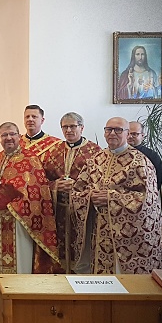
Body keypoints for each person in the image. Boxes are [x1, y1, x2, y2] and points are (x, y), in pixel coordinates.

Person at [70, 117, 162, 274]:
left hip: (127, 237)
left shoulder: (140, 162)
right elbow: (77, 191)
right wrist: (90, 197)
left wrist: (111, 198)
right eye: (108, 129)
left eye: (118, 130)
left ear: (127, 134)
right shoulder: (95, 160)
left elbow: (148, 200)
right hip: (99, 229)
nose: (112, 133)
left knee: (123, 283)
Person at [0, 122, 61, 275]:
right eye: (4, 135)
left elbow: (38, 192)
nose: (8, 138)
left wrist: (11, 203)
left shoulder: (30, 159)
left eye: (12, 134)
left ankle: (19, 294)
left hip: (20, 221)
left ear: (19, 136)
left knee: (20, 261)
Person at [42, 112, 101, 272]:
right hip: (58, 210)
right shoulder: (52, 151)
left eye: (72, 126)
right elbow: (40, 180)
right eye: (65, 127)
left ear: (81, 127)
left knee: (81, 247)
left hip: (83, 212)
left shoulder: (95, 152)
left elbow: (101, 182)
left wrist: (77, 187)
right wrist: (55, 186)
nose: (69, 130)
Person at [127, 121, 162, 191]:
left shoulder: (152, 155)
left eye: (134, 134)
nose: (129, 136)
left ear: (142, 136)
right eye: (127, 133)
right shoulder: (118, 153)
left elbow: (157, 181)